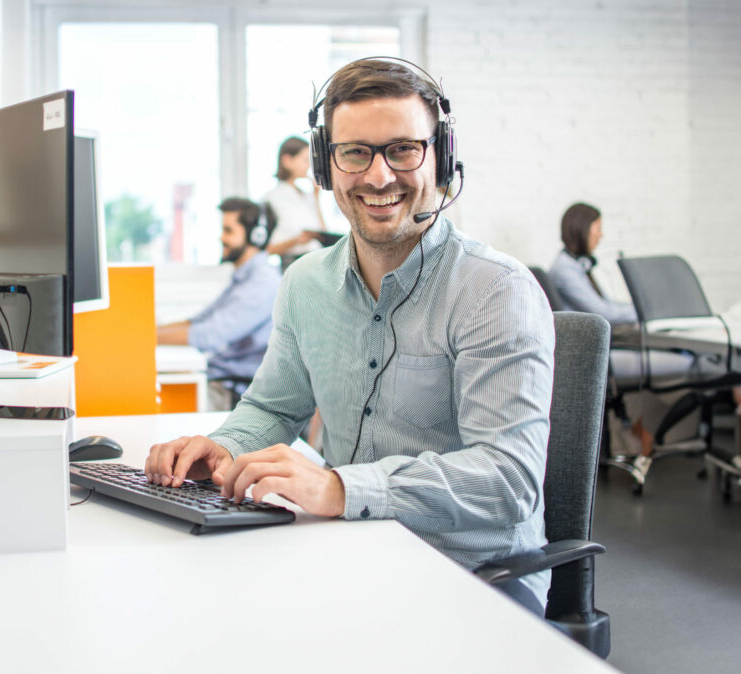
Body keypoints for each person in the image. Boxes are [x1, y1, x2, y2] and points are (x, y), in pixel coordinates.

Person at [146, 59, 555, 615]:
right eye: (355, 152)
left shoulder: (494, 290)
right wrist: (225, 445)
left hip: (475, 577)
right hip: (344, 553)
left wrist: (340, 489)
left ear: (442, 159)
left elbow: (508, 477)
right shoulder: (305, 283)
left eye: (403, 149)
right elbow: (273, 406)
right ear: (325, 164)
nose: (379, 176)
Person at [548, 202, 741, 476]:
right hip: (602, 357)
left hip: (610, 349)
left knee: (686, 351)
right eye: (597, 230)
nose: (601, 236)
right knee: (697, 361)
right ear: (581, 230)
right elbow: (602, 312)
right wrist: (649, 307)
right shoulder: (565, 270)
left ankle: (734, 391)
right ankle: (736, 392)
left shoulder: (576, 267)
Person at [156, 198, 281, 411]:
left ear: (255, 236)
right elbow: (198, 321)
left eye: (228, 231)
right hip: (220, 379)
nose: (221, 238)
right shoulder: (245, 276)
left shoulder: (263, 282)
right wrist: (149, 333)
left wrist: (144, 339)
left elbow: (210, 334)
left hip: (235, 391)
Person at [262, 136, 327, 268]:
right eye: (305, 160)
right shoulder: (272, 199)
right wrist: (296, 240)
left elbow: (322, 232)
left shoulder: (306, 195)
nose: (309, 166)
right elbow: (265, 249)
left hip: (317, 262)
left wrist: (316, 197)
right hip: (293, 264)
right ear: (287, 161)